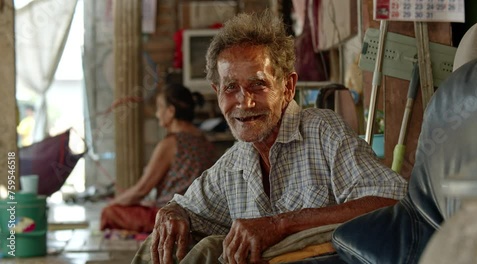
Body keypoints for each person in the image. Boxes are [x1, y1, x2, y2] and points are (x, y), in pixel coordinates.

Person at [133, 9, 408, 264]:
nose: (244, 102)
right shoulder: (233, 163)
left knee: (212, 249)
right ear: (217, 92)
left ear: (287, 87)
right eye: (230, 87)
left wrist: (280, 224)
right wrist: (171, 214)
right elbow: (187, 209)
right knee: (160, 245)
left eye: (258, 84)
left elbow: (391, 200)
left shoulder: (322, 131)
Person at [100, 83, 217, 233]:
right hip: (199, 218)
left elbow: (141, 190)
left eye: (159, 108)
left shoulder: (171, 143)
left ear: (170, 111)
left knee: (109, 213)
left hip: (170, 218)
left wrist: (114, 203)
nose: (157, 114)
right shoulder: (205, 142)